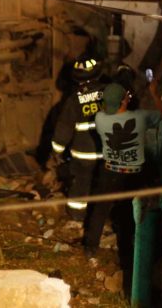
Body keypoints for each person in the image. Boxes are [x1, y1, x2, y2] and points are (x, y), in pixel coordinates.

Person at [83, 79, 162, 276]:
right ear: (124, 101)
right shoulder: (140, 118)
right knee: (127, 215)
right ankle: (128, 257)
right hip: (132, 175)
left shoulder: (100, 119)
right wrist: (154, 93)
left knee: (100, 210)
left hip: (109, 172)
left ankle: (90, 249)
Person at [49, 54, 108, 220]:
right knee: (103, 185)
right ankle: (102, 217)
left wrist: (56, 150)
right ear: (98, 73)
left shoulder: (74, 99)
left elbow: (64, 127)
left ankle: (78, 215)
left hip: (83, 154)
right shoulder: (108, 91)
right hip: (106, 151)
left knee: (81, 184)